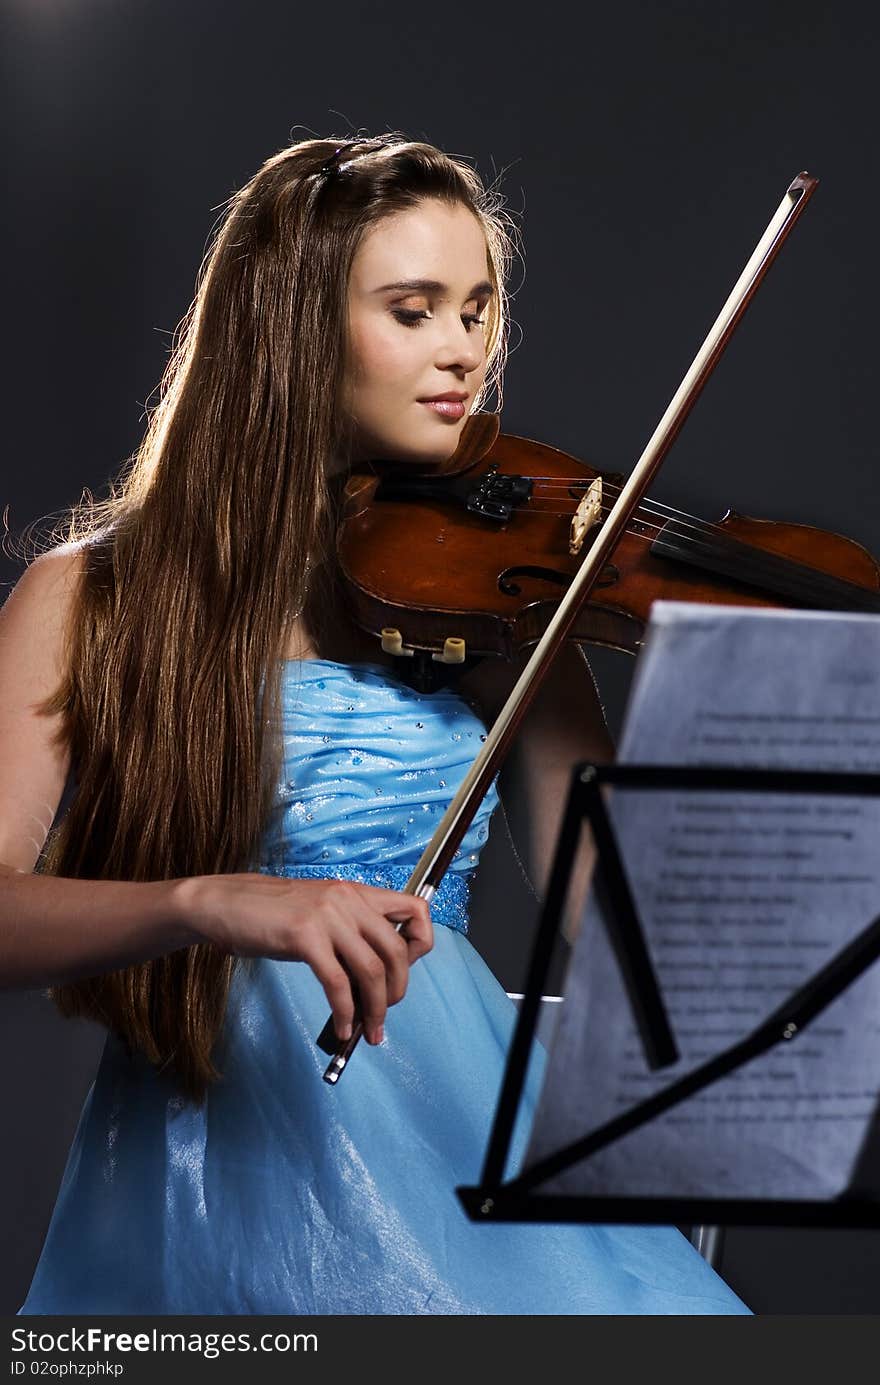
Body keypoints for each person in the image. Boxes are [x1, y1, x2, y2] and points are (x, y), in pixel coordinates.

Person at [2, 134, 749, 1314]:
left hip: (450, 1135)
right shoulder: (90, 595)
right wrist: (211, 899)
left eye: (477, 309)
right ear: (293, 328)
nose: (463, 350)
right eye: (414, 311)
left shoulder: (511, 594)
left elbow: (620, 911)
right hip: (198, 1173)